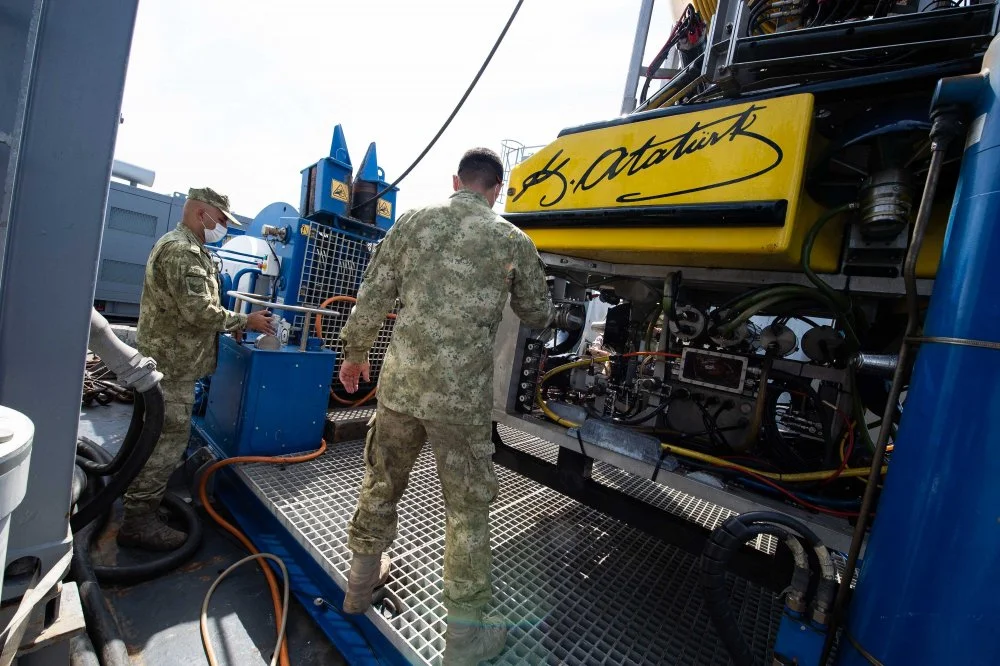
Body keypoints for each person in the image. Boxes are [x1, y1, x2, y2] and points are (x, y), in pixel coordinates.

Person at [338, 148, 577, 665]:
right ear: (498, 189)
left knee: (381, 482)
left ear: (456, 181)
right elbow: (538, 313)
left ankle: (359, 586)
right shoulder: (511, 239)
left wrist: (355, 355)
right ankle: (466, 640)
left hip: (400, 388)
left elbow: (373, 294)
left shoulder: (412, 223)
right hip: (460, 401)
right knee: (466, 511)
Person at [119, 187, 275, 551]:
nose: (222, 227)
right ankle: (138, 521)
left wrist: (232, 321)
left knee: (157, 437)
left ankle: (144, 506)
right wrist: (245, 319)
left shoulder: (192, 249)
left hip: (175, 363)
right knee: (165, 443)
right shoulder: (181, 251)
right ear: (201, 213)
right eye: (220, 220)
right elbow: (198, 310)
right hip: (171, 367)